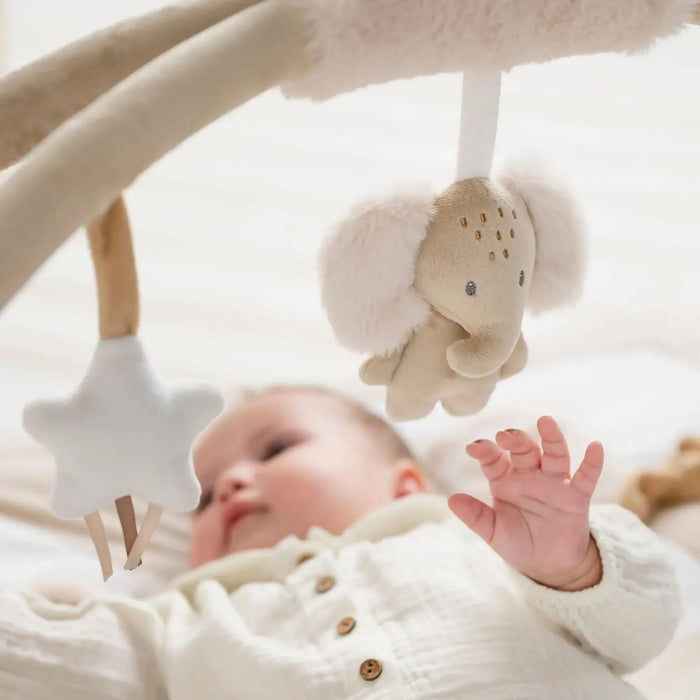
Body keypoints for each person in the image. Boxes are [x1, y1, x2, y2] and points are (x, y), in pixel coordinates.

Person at [0, 385, 680, 700]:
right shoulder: (185, 621)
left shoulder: (481, 544)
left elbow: (642, 626)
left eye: (277, 448)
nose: (232, 482)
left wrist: (570, 564)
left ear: (406, 484)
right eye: (201, 495)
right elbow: (71, 662)